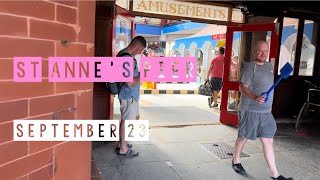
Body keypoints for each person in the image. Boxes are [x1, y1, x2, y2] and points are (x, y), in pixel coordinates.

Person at [232, 41, 293, 180]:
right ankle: (236, 160)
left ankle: (274, 174)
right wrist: (255, 97)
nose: (263, 54)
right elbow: (242, 87)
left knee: (268, 141)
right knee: (243, 137)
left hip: (266, 112)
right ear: (254, 52)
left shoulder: (269, 66)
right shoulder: (249, 67)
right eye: (260, 51)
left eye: (266, 51)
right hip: (250, 110)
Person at [116, 36, 146, 157]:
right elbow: (128, 82)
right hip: (128, 95)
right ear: (135, 46)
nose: (140, 53)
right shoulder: (126, 58)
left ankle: (121, 143)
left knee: (126, 120)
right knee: (127, 121)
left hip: (128, 95)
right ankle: (123, 148)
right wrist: (143, 76)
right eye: (140, 50)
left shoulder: (123, 54)